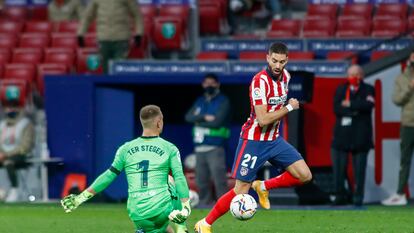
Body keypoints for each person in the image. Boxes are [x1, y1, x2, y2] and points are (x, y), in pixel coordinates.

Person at [194, 42, 312, 233]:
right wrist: (290, 107)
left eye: (282, 62)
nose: (277, 65)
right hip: (253, 141)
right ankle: (205, 224)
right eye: (274, 60)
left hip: (274, 140)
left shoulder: (286, 77)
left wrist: (284, 108)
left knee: (305, 175)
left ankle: (263, 185)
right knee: (241, 190)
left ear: (287, 61)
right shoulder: (259, 82)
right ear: (267, 58)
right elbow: (263, 119)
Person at [61, 105, 191, 233]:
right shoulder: (170, 148)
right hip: (162, 210)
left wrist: (80, 198)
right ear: (159, 123)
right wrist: (186, 206)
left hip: (136, 213)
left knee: (162, 229)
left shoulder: (125, 149)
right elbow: (179, 177)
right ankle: (181, 227)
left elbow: (108, 176)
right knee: (170, 179)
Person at [331, 65, 375, 206]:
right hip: (342, 136)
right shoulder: (341, 89)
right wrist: (354, 111)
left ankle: (358, 197)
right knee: (339, 168)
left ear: (362, 75)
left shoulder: (368, 89)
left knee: (359, 170)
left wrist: (349, 104)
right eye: (351, 74)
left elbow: (368, 105)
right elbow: (336, 108)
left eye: (356, 74)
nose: (353, 77)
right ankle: (339, 195)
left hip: (361, 136)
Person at [185, 74, 231, 206]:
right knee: (201, 180)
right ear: (203, 85)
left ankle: (224, 206)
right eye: (207, 83)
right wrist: (205, 117)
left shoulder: (223, 101)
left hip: (215, 147)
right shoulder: (200, 101)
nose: (209, 85)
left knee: (219, 179)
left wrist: (198, 121)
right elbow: (188, 117)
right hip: (200, 148)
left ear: (218, 84)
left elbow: (217, 122)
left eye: (212, 83)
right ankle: (205, 205)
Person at [382, 52, 414, 206]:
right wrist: (410, 87)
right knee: (405, 160)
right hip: (408, 123)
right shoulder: (402, 78)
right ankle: (400, 194)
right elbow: (397, 99)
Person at [77, 0, 144, 73]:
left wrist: (139, 34)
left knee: (119, 70)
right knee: (105, 70)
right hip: (103, 39)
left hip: (121, 39)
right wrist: (80, 33)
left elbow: (137, 15)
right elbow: (87, 16)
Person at [0, 86, 35, 203]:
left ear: (19, 108)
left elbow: (26, 146)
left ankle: (15, 190)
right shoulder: (2, 124)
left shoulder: (26, 124)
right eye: (8, 106)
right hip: (3, 155)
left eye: (13, 106)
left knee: (9, 162)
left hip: (20, 155)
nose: (10, 109)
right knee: (5, 160)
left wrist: (6, 154)